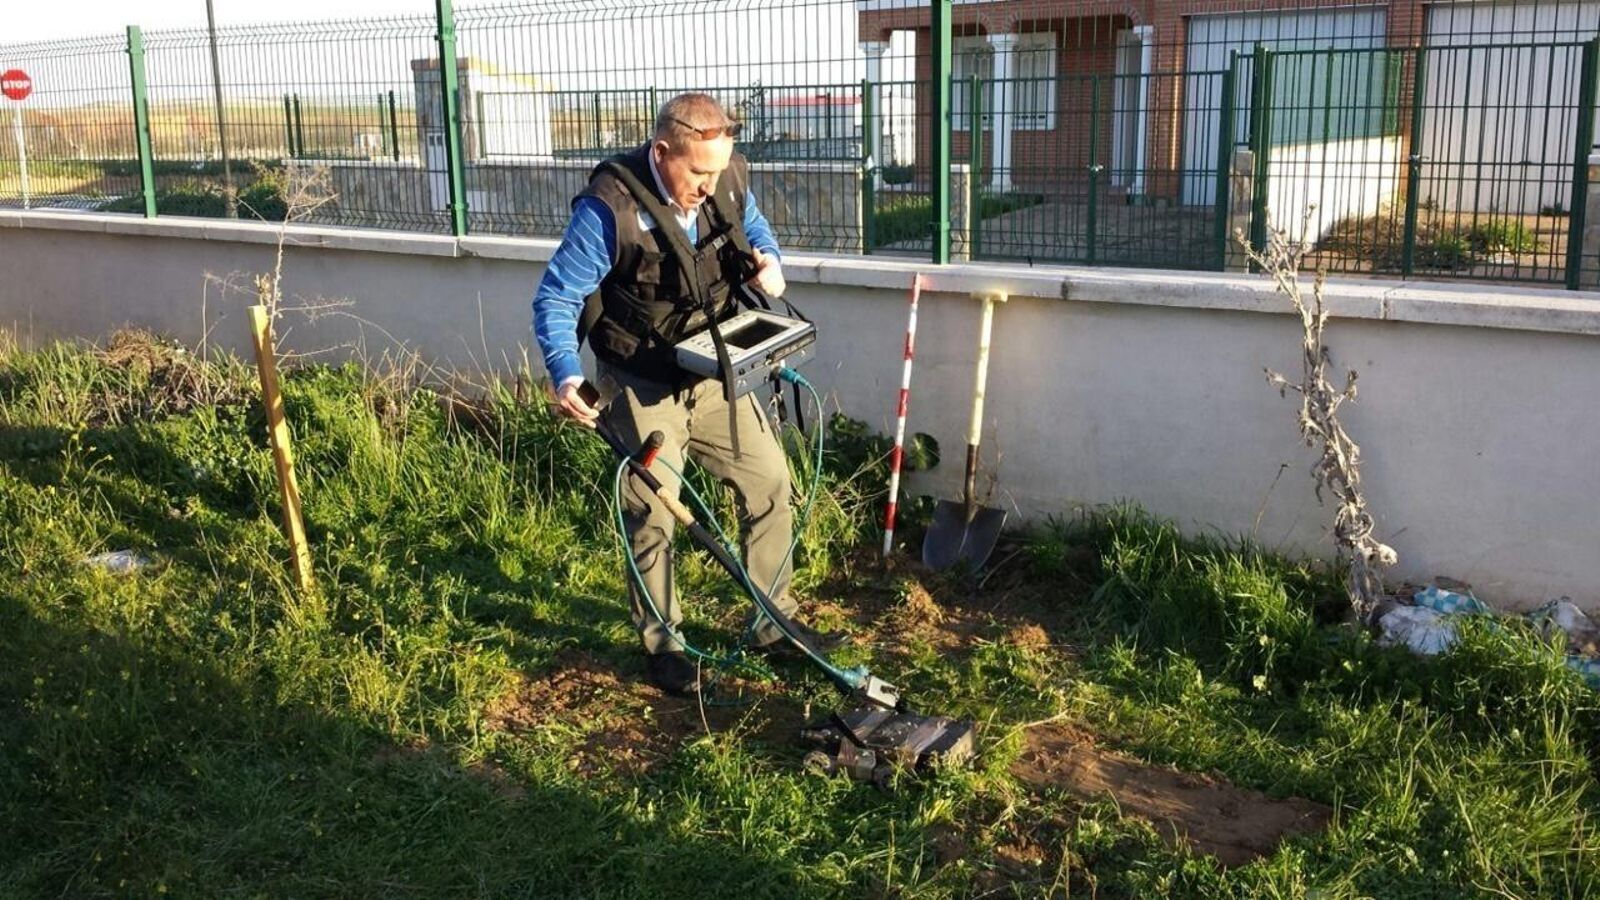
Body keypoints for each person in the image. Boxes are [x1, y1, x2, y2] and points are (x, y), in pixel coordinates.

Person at [531, 92, 849, 696]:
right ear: (662, 152)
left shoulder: (725, 176)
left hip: (712, 370)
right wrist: (566, 372)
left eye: (718, 169)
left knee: (769, 482)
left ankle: (772, 622)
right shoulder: (609, 209)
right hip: (641, 382)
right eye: (697, 172)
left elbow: (752, 226)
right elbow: (556, 297)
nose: (709, 184)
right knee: (652, 512)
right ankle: (664, 645)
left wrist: (770, 260)